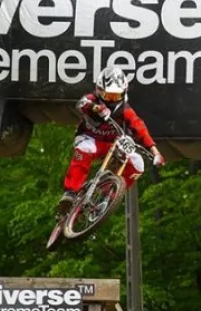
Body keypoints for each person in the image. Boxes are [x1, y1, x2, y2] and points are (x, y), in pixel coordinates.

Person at [58, 66, 165, 217]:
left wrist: (155, 151)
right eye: (108, 96)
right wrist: (96, 107)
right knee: (86, 148)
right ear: (99, 90)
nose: (111, 101)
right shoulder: (92, 99)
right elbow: (81, 103)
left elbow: (139, 127)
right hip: (90, 139)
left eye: (115, 97)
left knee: (138, 163)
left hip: (113, 143)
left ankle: (110, 194)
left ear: (124, 93)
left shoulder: (125, 109)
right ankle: (70, 192)